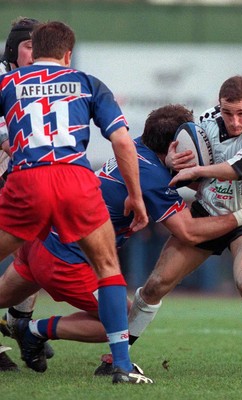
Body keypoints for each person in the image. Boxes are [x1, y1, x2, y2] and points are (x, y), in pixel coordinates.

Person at [0, 104, 242, 374]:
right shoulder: (152, 176)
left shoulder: (139, 146)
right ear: (177, 145)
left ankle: (25, 328)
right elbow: (188, 232)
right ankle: (34, 331)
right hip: (68, 258)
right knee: (124, 320)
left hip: (43, 240)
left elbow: (189, 178)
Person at [112, 75, 242, 381]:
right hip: (207, 211)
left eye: (241, 113)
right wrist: (174, 161)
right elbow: (179, 159)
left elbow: (241, 169)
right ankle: (117, 357)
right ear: (219, 105)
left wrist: (199, 169)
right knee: (156, 284)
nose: (234, 121)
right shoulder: (206, 123)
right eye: (227, 113)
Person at [0, 21, 152, 385]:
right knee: (107, 267)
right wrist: (135, 194)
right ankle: (122, 366)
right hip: (74, 179)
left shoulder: (7, 83)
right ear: (69, 55)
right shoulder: (87, 83)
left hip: (27, 179)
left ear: (32, 51)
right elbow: (122, 143)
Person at [0, 16, 42, 372]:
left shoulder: (43, 82)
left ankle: (20, 322)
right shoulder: (2, 79)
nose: (35, 52)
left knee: (36, 250)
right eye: (29, 45)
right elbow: (8, 139)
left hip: (17, 181)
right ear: (13, 49)